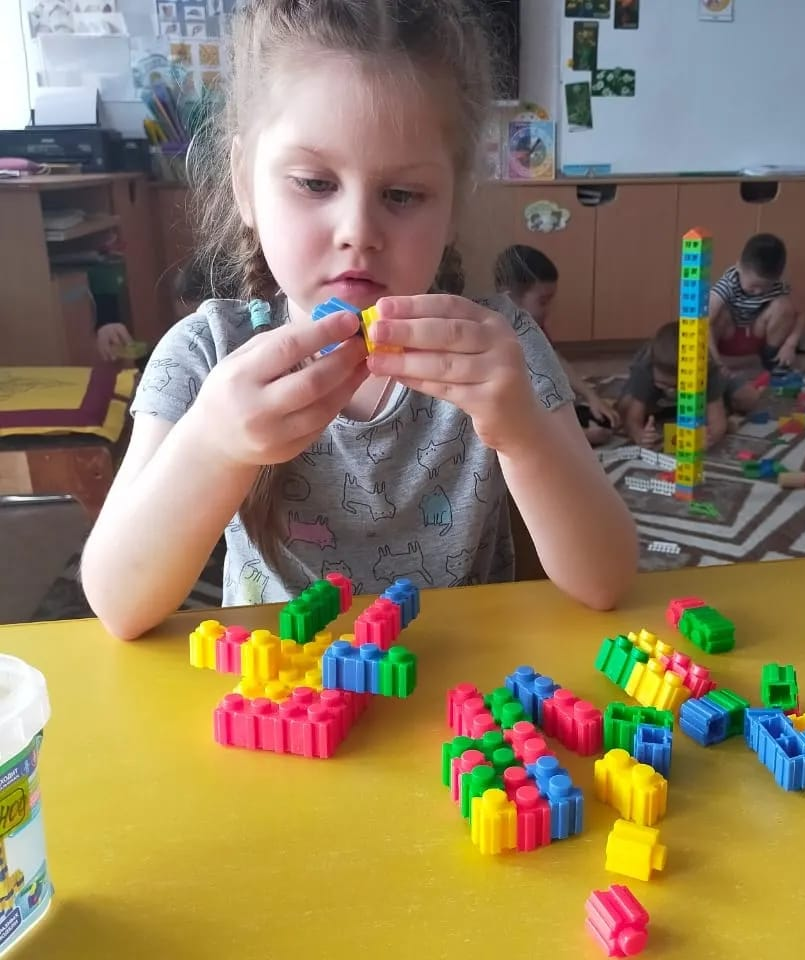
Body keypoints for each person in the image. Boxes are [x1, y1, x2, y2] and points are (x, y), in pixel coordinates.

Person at [80, 0, 636, 639]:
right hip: (284, 684)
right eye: (314, 183)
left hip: (461, 687)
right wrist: (212, 445)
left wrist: (525, 435)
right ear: (244, 184)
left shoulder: (498, 352)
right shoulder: (204, 355)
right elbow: (119, 606)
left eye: (402, 194)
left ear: (453, 206)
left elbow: (606, 580)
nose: (358, 231)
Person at [493, 244, 620, 446]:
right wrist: (580, 437)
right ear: (508, 299)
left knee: (583, 412)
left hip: (535, 407)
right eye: (543, 302)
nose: (549, 310)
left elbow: (554, 359)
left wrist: (592, 396)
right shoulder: (498, 337)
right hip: (510, 417)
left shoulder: (530, 325)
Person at [617, 321, 759, 449]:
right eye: (662, 383)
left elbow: (718, 424)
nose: (671, 390)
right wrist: (640, 436)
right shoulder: (645, 367)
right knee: (624, 407)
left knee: (748, 398)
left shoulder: (708, 370)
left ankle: (722, 397)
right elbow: (632, 419)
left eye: (678, 386)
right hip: (656, 400)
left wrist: (709, 438)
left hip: (702, 393)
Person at [709, 233, 803, 373]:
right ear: (739, 267)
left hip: (757, 335)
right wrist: (717, 363)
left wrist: (790, 345)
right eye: (753, 286)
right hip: (728, 337)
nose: (759, 292)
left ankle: (772, 360)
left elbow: (800, 314)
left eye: (766, 287)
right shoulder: (728, 284)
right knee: (714, 314)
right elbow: (703, 322)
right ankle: (712, 365)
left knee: (784, 306)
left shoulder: (778, 285)